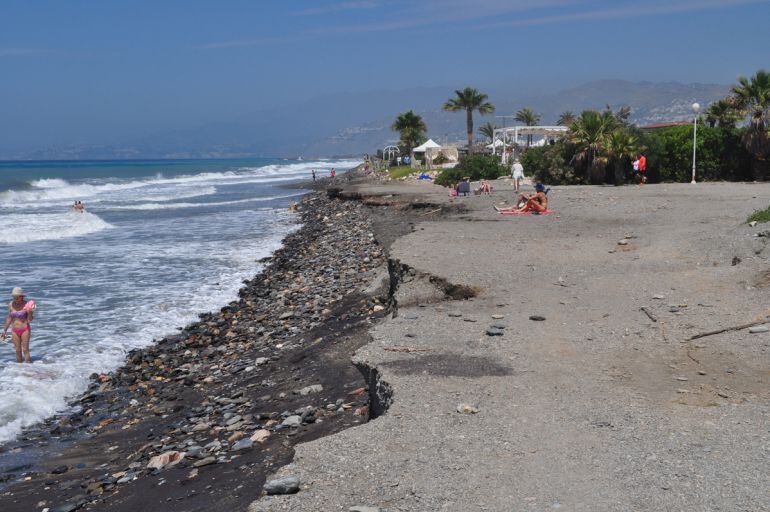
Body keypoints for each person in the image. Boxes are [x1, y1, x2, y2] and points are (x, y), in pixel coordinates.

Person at [2, 287, 34, 363]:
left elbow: (30, 319)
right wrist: (4, 330)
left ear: (21, 296)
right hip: (14, 330)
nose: (15, 298)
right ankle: (19, 368)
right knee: (17, 350)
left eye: (17, 297)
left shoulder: (27, 305)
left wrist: (30, 312)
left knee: (25, 349)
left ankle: (28, 367)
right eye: (14, 297)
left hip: (25, 329)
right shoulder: (11, 304)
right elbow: (9, 318)